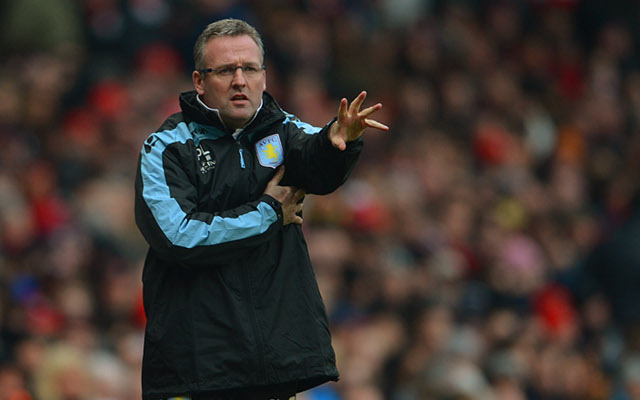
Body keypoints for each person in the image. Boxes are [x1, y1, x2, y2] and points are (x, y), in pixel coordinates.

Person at [134, 18, 388, 400]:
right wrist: (267, 212)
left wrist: (338, 142)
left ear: (264, 77)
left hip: (270, 366)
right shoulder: (166, 148)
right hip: (196, 368)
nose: (240, 80)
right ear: (199, 81)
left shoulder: (285, 130)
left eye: (249, 68)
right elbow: (178, 236)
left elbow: (315, 162)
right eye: (225, 70)